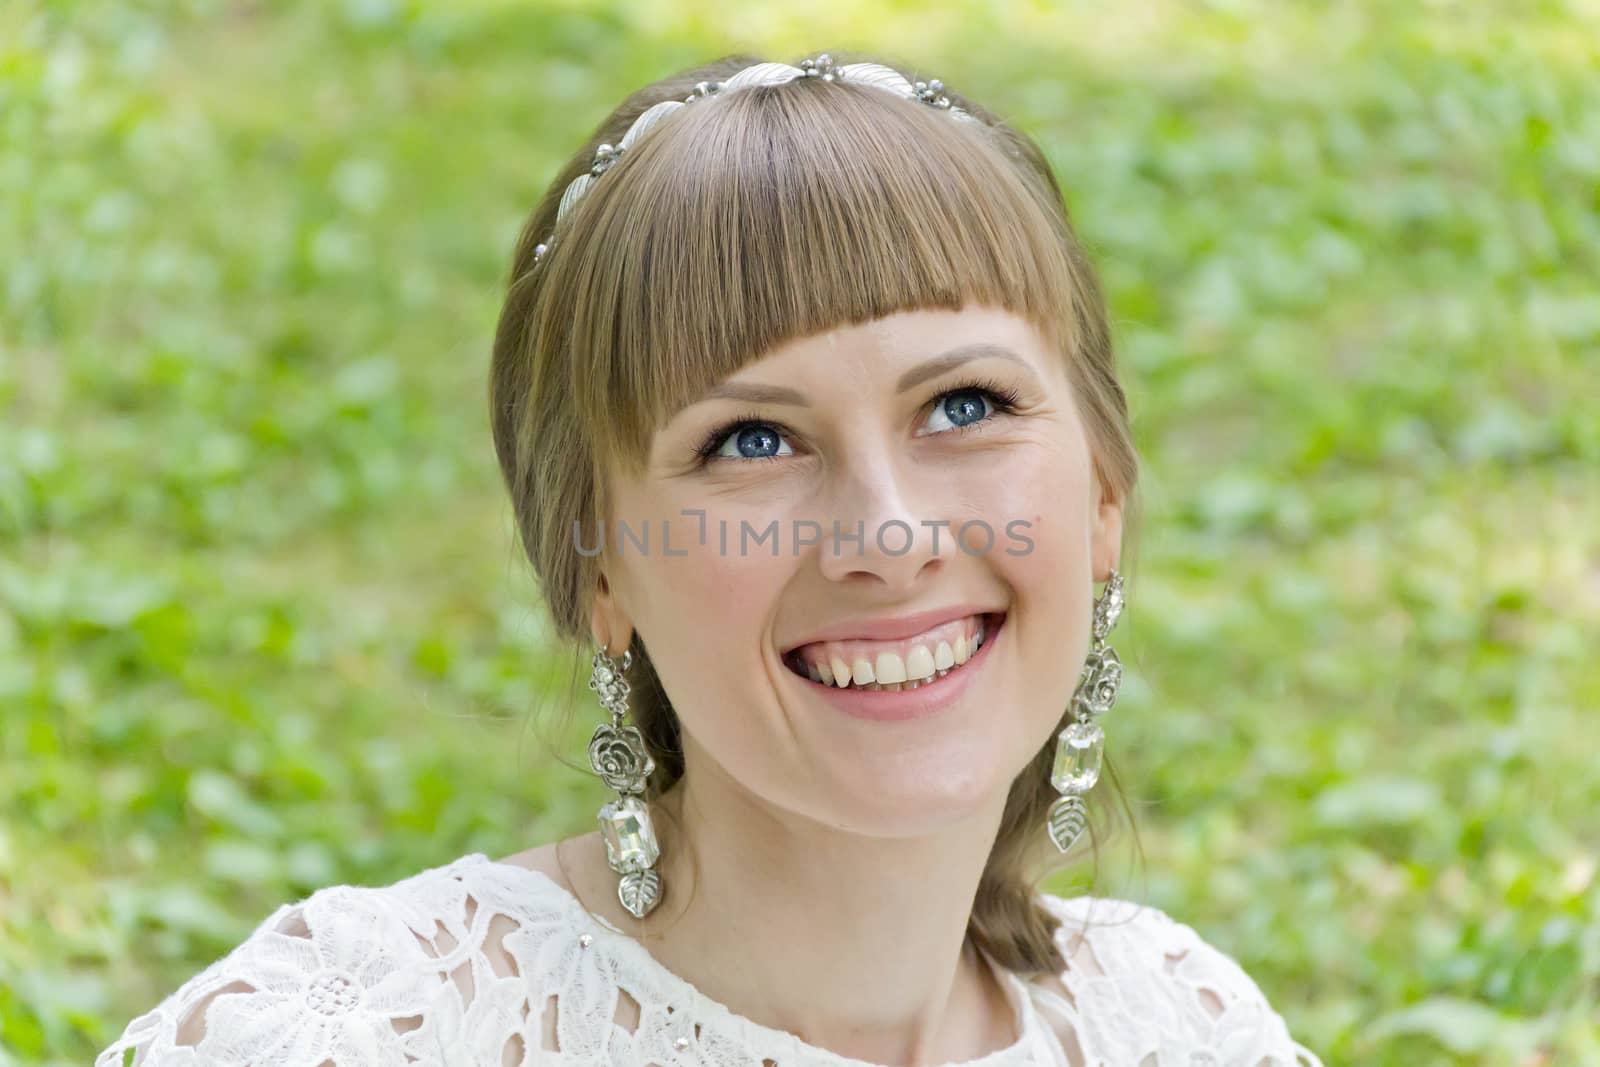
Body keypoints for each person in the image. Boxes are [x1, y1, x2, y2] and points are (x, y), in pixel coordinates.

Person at [96, 50, 1323, 1067]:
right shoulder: (360, 1033)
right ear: (597, 572)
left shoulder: (1177, 1026)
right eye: (752, 438)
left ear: (1102, 493)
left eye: (962, 406)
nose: (885, 537)